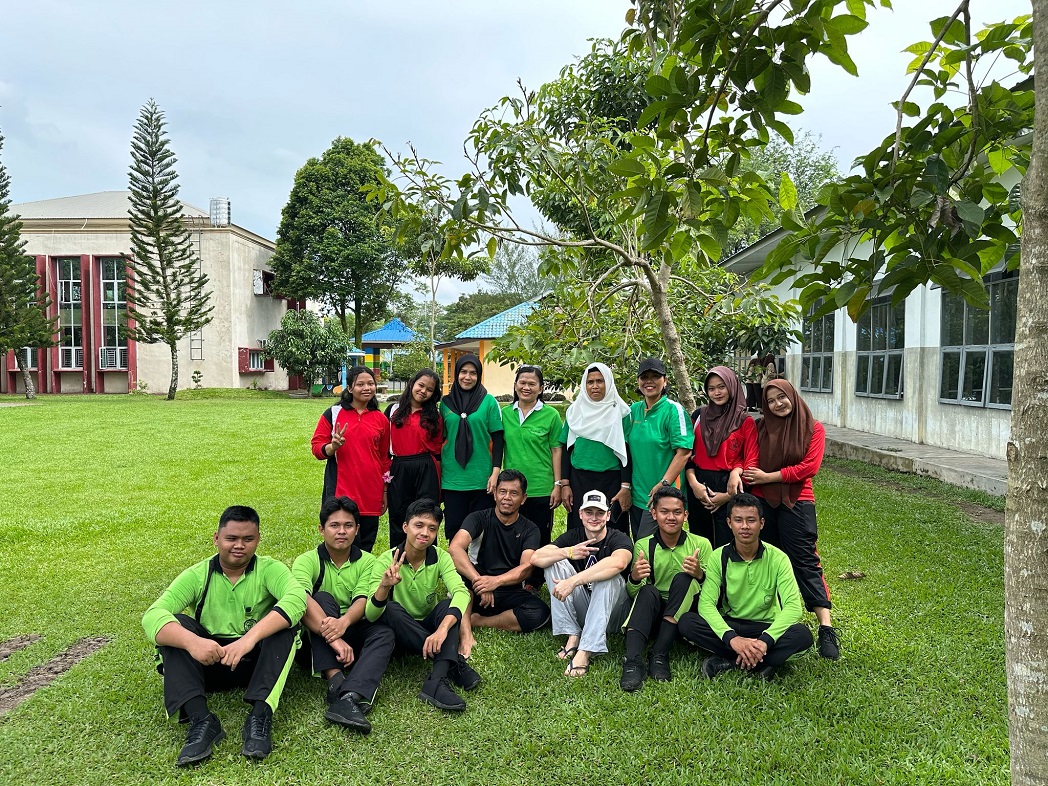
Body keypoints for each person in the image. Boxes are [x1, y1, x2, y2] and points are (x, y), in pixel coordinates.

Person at [141, 506, 306, 766]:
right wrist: (193, 643)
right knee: (176, 627)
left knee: (284, 628)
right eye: (231, 538)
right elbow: (152, 615)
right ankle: (202, 721)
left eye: (248, 539)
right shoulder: (197, 574)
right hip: (209, 662)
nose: (239, 546)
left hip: (255, 664)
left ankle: (260, 716)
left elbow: (297, 599)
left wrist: (248, 639)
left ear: (258, 540)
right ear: (216, 539)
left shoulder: (270, 569)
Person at [742, 379, 839, 660]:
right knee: (765, 559)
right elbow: (751, 462)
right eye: (770, 401)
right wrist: (756, 476)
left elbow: (809, 467)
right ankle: (770, 618)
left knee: (805, 559)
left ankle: (826, 628)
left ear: (792, 396)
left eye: (781, 397)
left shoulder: (813, 428)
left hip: (798, 500)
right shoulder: (760, 428)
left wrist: (768, 476)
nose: (777, 404)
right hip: (762, 501)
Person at [678, 493, 814, 680]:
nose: (745, 526)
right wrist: (732, 639)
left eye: (751, 520)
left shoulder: (778, 558)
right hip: (731, 623)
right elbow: (706, 604)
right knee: (687, 623)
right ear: (729, 523)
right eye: (738, 520)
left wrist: (765, 640)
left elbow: (793, 607)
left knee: (802, 636)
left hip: (765, 626)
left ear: (761, 523)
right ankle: (764, 662)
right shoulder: (719, 556)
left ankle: (731, 661)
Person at [291, 496, 395, 734]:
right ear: (321, 529)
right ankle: (335, 678)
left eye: (348, 526)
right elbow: (300, 599)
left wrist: (344, 623)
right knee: (322, 598)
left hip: (349, 635)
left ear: (357, 529)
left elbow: (362, 599)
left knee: (384, 633)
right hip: (312, 645)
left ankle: (349, 696)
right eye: (334, 525)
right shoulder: (307, 561)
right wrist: (335, 638)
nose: (341, 531)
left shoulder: (368, 561)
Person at [365, 499, 480, 712]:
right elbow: (371, 615)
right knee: (391, 609)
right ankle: (451, 662)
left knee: (447, 606)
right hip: (399, 633)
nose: (425, 533)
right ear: (405, 526)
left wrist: (442, 629)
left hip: (429, 626)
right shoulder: (386, 560)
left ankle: (434, 683)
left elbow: (461, 592)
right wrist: (383, 586)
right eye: (419, 525)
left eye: (432, 528)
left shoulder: (440, 557)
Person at [530, 489, 633, 677]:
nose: (594, 518)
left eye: (600, 513)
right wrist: (567, 552)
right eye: (589, 512)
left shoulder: (619, 538)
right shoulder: (573, 537)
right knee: (553, 562)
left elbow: (619, 562)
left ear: (608, 515)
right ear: (580, 514)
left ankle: (586, 650)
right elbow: (536, 557)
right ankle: (573, 634)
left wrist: (573, 581)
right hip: (586, 609)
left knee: (607, 577)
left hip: (614, 614)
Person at [619, 486, 712, 692]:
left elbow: (712, 593)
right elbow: (634, 594)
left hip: (685, 616)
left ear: (685, 515)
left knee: (684, 579)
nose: (671, 517)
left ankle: (659, 654)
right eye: (664, 512)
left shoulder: (701, 544)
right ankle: (633, 661)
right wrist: (634, 578)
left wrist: (700, 574)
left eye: (677, 512)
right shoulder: (643, 545)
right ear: (654, 514)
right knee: (648, 591)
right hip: (654, 615)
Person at [449, 469, 550, 645]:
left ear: (523, 498)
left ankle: (479, 621)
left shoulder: (530, 529)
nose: (507, 497)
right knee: (462, 589)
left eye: (514, 493)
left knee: (540, 613)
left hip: (508, 589)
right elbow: (455, 548)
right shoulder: (478, 518)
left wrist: (495, 582)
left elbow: (526, 567)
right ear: (495, 494)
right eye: (502, 491)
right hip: (476, 585)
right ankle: (466, 634)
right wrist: (480, 582)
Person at [311, 365, 391, 552]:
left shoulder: (381, 419)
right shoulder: (333, 413)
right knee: (343, 545)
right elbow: (316, 447)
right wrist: (332, 447)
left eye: (371, 384)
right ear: (349, 388)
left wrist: (385, 491)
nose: (367, 388)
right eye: (360, 384)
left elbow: (385, 458)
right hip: (341, 491)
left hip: (371, 492)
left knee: (366, 547)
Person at [685, 366, 757, 548]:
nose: (716, 393)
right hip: (698, 485)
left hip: (730, 486)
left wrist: (727, 495)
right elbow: (687, 455)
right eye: (711, 389)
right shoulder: (699, 416)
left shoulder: (745, 421)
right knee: (700, 541)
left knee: (727, 544)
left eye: (721, 387)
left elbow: (751, 460)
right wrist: (694, 485)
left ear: (731, 386)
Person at [559, 363, 633, 534]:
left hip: (612, 481)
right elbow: (566, 448)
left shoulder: (621, 412)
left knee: (613, 531)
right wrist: (565, 484)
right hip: (579, 480)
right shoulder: (574, 412)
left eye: (600, 381)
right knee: (579, 530)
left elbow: (627, 451)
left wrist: (625, 487)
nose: (595, 386)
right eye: (590, 382)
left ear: (609, 382)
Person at [440, 355, 504, 542]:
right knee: (454, 531)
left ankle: (478, 563)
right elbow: (441, 438)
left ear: (479, 376)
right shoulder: (445, 403)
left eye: (473, 373)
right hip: (452, 478)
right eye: (463, 372)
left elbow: (498, 439)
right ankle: (456, 562)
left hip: (481, 478)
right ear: (456, 374)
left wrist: (495, 472)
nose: (467, 377)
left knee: (481, 532)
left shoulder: (488, 402)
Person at [628, 357, 694, 541]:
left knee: (652, 547)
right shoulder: (633, 411)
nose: (649, 381)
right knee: (639, 545)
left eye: (655, 376)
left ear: (665, 381)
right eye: (644, 377)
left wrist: (663, 484)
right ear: (638, 381)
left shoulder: (674, 410)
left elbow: (684, 452)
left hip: (665, 496)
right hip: (637, 495)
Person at [385, 369, 444, 549]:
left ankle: (428, 558)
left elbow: (438, 451)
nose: (423, 391)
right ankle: (398, 557)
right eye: (421, 385)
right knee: (398, 515)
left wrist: (439, 484)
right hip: (399, 467)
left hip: (426, 468)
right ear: (412, 383)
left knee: (427, 516)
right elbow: (384, 447)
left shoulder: (435, 416)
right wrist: (385, 480)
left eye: (429, 389)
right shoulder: (393, 410)